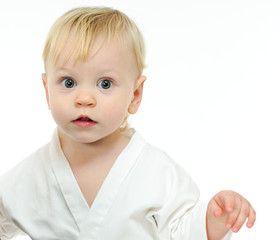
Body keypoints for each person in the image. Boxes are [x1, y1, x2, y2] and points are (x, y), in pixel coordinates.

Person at [0, 7, 255, 240]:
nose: (85, 99)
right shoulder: (29, 176)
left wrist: (212, 221)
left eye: (105, 84)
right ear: (47, 91)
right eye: (68, 82)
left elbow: (182, 231)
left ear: (135, 95)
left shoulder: (156, 171)